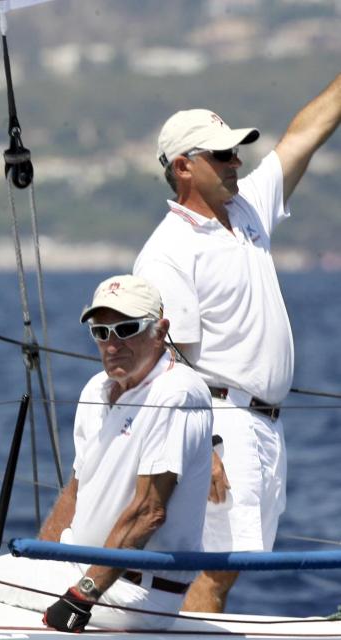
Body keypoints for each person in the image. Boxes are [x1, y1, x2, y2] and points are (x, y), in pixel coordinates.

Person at [133, 73, 341, 612]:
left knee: (234, 565)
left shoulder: (246, 210)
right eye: (222, 155)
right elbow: (164, 361)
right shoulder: (168, 250)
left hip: (265, 426)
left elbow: (304, 135)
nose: (236, 163)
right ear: (183, 166)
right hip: (222, 423)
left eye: (236, 153)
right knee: (216, 570)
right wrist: (206, 447)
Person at [0, 274, 212, 632]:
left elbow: (149, 511)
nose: (112, 344)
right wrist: (40, 558)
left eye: (126, 329)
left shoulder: (177, 393)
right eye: (101, 332)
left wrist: (81, 596)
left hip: (134, 592)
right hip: (81, 571)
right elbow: (76, 491)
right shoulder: (96, 390)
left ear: (160, 331)